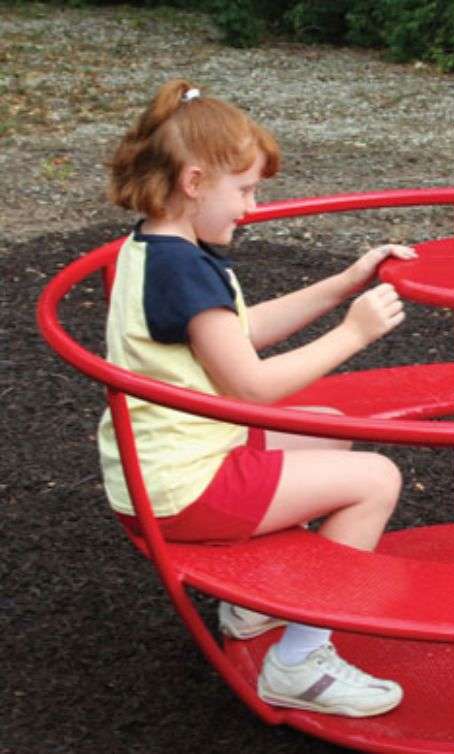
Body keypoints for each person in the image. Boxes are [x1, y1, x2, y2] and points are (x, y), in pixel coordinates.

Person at [98, 79, 414, 718]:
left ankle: (252, 608)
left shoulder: (157, 247)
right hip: (184, 487)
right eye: (243, 190)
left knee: (328, 426)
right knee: (377, 479)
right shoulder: (182, 269)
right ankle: (301, 662)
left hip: (167, 460)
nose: (252, 206)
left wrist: (342, 283)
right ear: (193, 182)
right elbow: (252, 386)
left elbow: (236, 332)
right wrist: (353, 334)